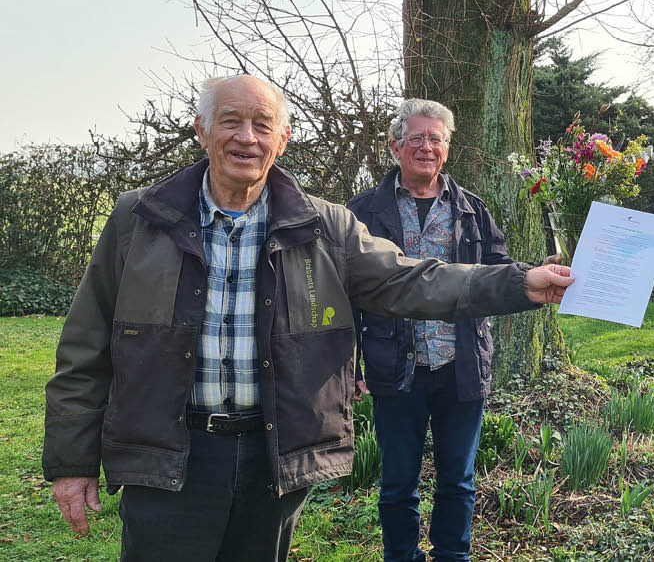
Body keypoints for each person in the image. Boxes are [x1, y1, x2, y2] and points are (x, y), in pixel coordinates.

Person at [41, 75, 573, 562]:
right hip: (168, 456)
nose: (246, 138)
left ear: (283, 138)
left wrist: (521, 282)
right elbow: (85, 347)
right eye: (230, 121)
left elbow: (412, 278)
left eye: (261, 125)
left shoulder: (324, 226)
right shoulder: (141, 220)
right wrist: (72, 461)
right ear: (202, 129)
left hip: (272, 457)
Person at [348, 99, 544, 562]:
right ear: (395, 147)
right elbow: (346, 293)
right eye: (415, 138)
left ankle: (452, 556)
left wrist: (537, 274)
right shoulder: (361, 212)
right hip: (394, 367)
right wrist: (349, 362)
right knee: (398, 481)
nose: (426, 147)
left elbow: (499, 274)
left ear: (447, 149)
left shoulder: (471, 210)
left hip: (461, 365)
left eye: (435, 138)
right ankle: (401, 556)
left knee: (458, 479)